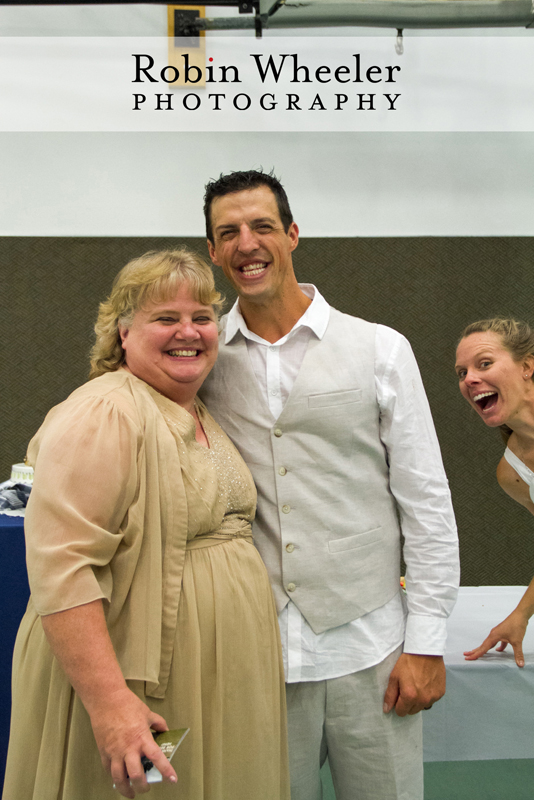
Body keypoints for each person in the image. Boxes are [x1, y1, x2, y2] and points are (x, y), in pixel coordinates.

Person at [199, 169, 460, 800]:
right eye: (227, 232)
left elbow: (426, 502)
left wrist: (426, 643)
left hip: (371, 650)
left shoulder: (381, 349)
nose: (246, 243)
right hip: (255, 655)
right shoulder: (202, 357)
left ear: (291, 235)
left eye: (261, 226)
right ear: (212, 252)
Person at [3, 249, 290, 800]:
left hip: (212, 679)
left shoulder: (194, 408)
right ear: (123, 332)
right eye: (166, 318)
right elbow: (63, 568)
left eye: (202, 317)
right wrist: (111, 705)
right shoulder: (105, 412)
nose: (189, 332)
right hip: (132, 683)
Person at [455, 317, 534, 668]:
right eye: (462, 372)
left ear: (527, 367)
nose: (470, 378)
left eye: (484, 364)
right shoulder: (512, 474)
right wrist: (521, 616)